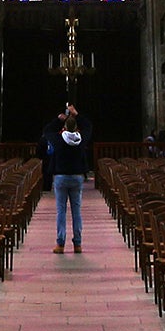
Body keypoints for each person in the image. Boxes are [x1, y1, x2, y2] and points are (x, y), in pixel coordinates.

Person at [39, 102, 92, 254]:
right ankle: (78, 244)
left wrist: (59, 120)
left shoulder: (58, 139)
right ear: (76, 128)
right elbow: (88, 126)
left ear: (64, 128)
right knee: (77, 211)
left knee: (60, 211)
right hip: (76, 177)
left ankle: (60, 243)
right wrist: (76, 115)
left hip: (61, 177)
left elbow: (46, 130)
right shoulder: (81, 139)